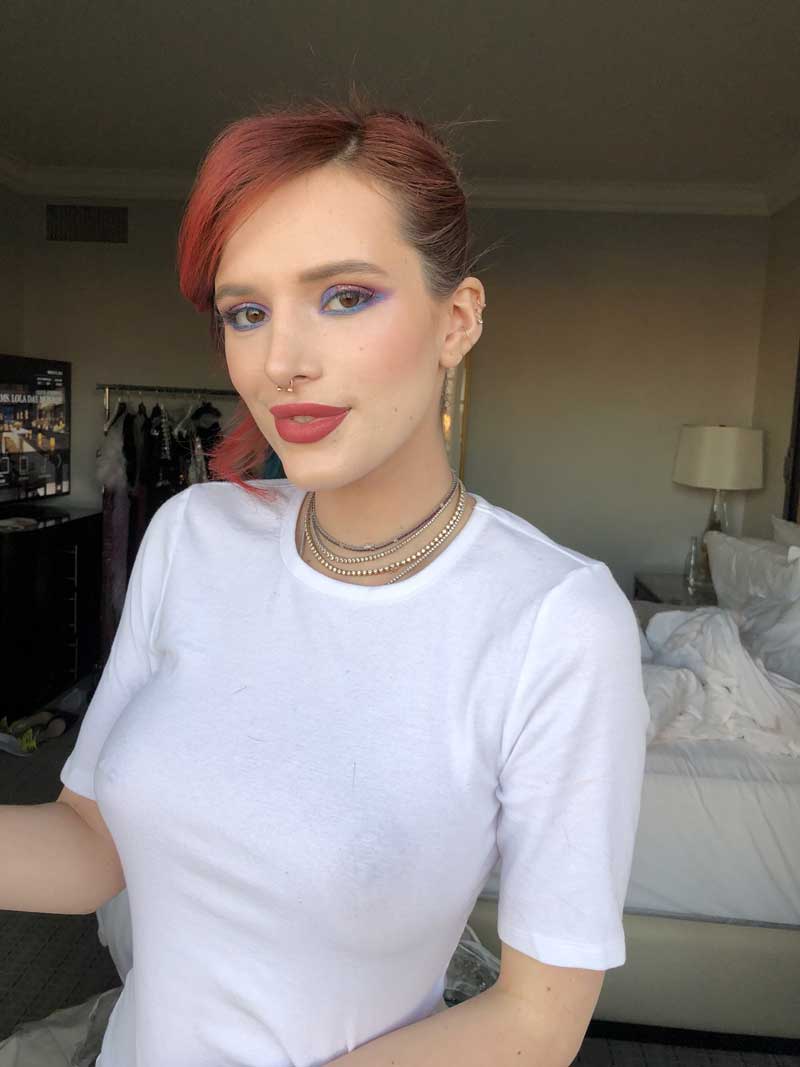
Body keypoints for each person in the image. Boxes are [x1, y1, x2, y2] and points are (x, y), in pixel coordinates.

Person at [6, 92, 649, 1067]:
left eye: (344, 296)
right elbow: (91, 846)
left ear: (456, 320)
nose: (280, 361)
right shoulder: (191, 536)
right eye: (247, 311)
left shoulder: (554, 620)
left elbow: (536, 1020)